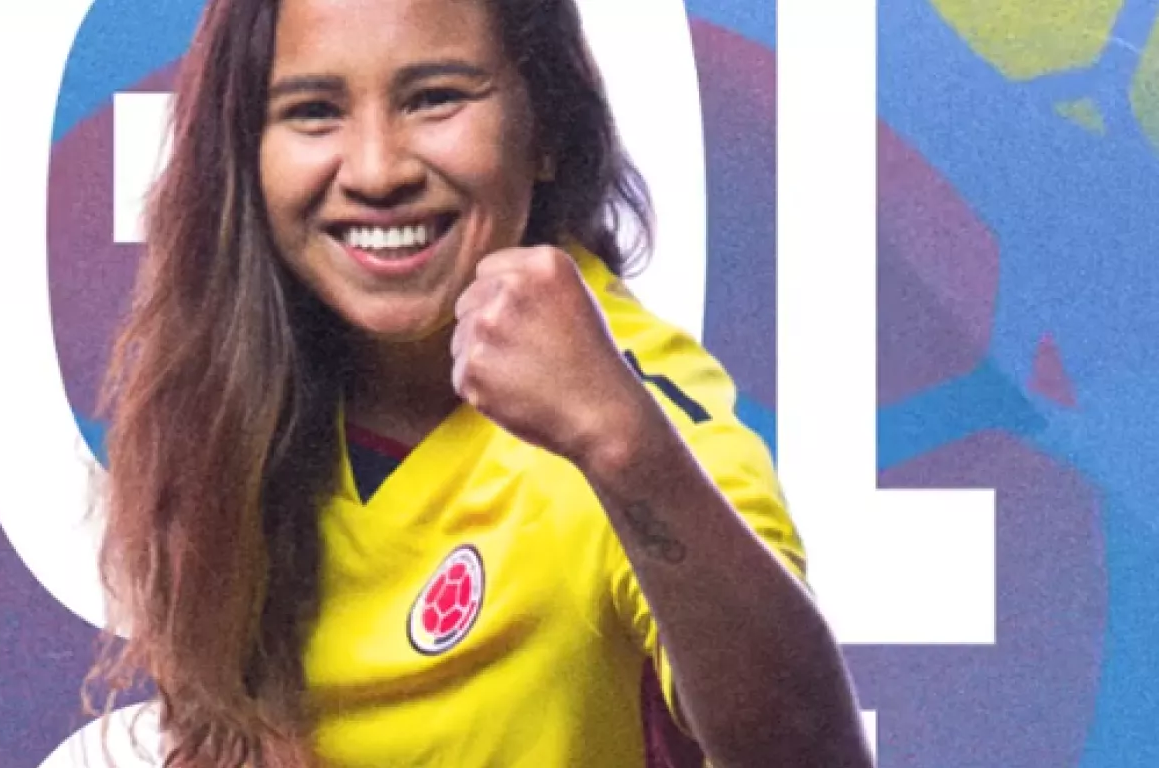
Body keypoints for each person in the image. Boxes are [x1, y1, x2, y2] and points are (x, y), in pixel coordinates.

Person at [86, 0, 874, 765]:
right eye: (315, 111)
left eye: (435, 98)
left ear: (548, 128)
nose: (377, 170)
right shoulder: (233, 396)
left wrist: (623, 447)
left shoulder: (622, 401)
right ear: (245, 153)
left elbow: (812, 751)